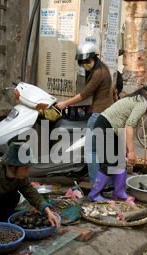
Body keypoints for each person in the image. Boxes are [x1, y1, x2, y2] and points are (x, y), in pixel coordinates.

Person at [87, 80, 147, 202]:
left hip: (112, 128)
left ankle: (119, 192)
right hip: (105, 126)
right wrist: (131, 151)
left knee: (120, 162)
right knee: (110, 163)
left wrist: (125, 148)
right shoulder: (142, 102)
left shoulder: (140, 98)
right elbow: (129, 126)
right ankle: (94, 195)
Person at [56, 43, 117, 185]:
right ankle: (110, 184)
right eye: (82, 62)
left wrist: (64, 104)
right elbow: (113, 91)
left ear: (94, 58)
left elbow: (84, 94)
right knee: (108, 152)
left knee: (91, 151)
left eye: (88, 61)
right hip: (109, 114)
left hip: (98, 116)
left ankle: (96, 184)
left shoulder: (97, 73)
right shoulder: (104, 69)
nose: (85, 65)